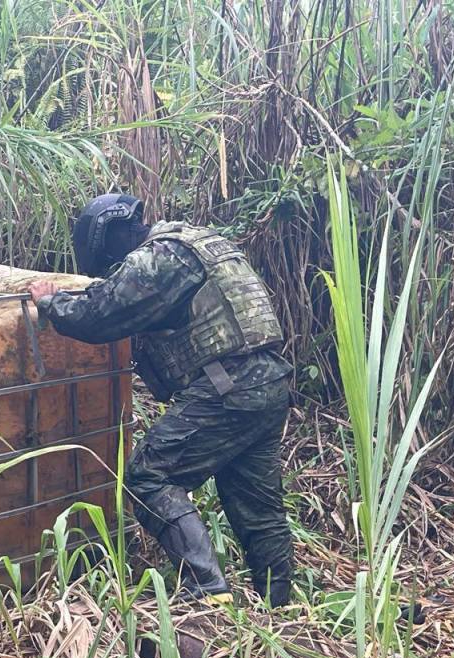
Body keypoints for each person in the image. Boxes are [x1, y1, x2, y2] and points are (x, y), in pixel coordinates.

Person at [28, 194, 294, 607]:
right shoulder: (197, 243)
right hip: (268, 384)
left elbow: (100, 314)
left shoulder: (160, 258)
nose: (112, 269)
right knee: (260, 511)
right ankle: (282, 608)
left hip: (229, 388)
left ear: (113, 235)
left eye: (107, 259)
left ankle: (206, 588)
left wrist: (50, 300)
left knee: (148, 476)